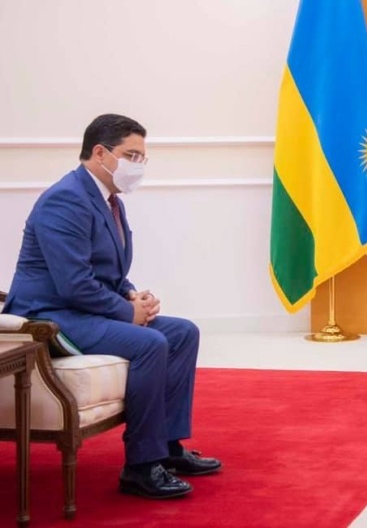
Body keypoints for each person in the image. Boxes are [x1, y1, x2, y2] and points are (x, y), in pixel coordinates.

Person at [3, 114, 221, 498]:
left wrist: (133, 296)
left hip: (82, 310)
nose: (138, 165)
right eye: (131, 156)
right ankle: (141, 466)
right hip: (50, 317)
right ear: (100, 153)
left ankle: (168, 448)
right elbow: (73, 283)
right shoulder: (65, 199)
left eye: (142, 158)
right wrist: (127, 313)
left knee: (182, 332)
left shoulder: (109, 201)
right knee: (150, 343)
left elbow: (109, 272)